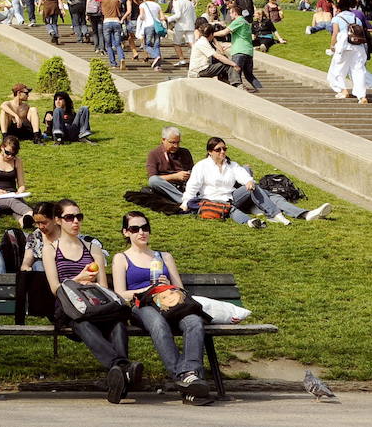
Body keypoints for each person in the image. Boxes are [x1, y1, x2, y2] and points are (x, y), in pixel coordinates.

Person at [42, 198, 137, 403]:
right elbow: (55, 288)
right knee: (81, 322)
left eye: (79, 217)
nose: (75, 221)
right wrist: (79, 279)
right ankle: (123, 367)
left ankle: (118, 378)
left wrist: (91, 285)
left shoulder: (92, 248)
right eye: (69, 217)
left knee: (118, 322)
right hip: (70, 309)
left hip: (96, 306)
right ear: (58, 220)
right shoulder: (50, 249)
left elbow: (103, 286)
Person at [112, 211, 212, 405]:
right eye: (135, 229)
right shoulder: (121, 258)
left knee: (194, 322)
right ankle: (186, 378)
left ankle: (189, 376)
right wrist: (147, 289)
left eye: (145, 228)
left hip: (170, 304)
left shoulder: (164, 256)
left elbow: (180, 289)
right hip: (141, 305)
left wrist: (168, 285)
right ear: (126, 232)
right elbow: (120, 293)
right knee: (158, 324)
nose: (141, 232)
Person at [179, 136, 330, 226]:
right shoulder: (202, 166)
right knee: (261, 192)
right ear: (210, 152)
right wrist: (185, 203)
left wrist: (249, 180)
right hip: (215, 200)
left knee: (270, 195)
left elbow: (242, 174)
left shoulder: (231, 165)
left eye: (224, 149)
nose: (222, 152)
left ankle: (304, 214)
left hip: (233, 198)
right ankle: (277, 215)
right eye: (218, 150)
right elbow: (192, 187)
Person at [0, 136, 33, 228]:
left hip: (12, 194)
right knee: (12, 202)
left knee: (15, 206)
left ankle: (24, 221)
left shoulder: (17, 161)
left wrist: (20, 191)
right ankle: (30, 213)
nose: (10, 156)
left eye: (13, 154)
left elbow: (21, 184)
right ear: (2, 147)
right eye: (8, 153)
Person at [213, 0, 261, 92]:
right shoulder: (246, 22)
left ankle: (239, 91)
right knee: (249, 74)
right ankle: (260, 89)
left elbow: (224, 32)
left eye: (230, 13)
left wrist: (211, 34)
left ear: (235, 13)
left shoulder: (238, 21)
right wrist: (230, 45)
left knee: (235, 73)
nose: (230, 15)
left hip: (239, 52)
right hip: (248, 51)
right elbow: (243, 38)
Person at [328, 0, 369, 102]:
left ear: (339, 6)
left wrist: (332, 46)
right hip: (357, 46)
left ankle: (343, 90)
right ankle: (362, 96)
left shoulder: (337, 18)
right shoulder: (356, 18)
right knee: (358, 70)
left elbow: (335, 34)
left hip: (344, 46)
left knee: (338, 68)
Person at [145, 127, 194, 205]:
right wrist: (175, 176)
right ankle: (184, 200)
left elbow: (192, 170)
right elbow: (152, 178)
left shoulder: (185, 152)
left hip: (185, 184)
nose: (176, 146)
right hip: (167, 185)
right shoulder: (154, 154)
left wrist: (189, 174)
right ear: (163, 140)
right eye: (172, 142)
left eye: (178, 142)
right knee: (153, 181)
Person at [166, 0, 197, 67]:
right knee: (191, 43)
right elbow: (194, 16)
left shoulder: (176, 2)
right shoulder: (190, 2)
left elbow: (178, 15)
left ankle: (181, 59)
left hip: (180, 25)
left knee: (176, 43)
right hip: (190, 25)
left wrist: (168, 19)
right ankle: (194, 60)